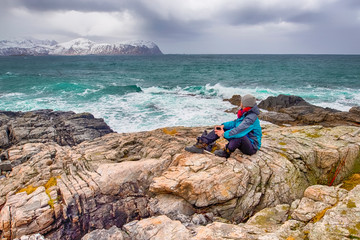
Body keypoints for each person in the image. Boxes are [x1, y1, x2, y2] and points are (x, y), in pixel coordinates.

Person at [185, 94, 262, 158]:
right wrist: (222, 126)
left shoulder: (251, 118)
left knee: (239, 136)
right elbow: (235, 123)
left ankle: (226, 152)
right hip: (245, 141)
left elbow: (239, 131)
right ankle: (201, 145)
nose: (240, 103)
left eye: (241, 101)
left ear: (244, 104)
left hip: (251, 147)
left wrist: (223, 134)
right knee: (221, 128)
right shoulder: (246, 113)